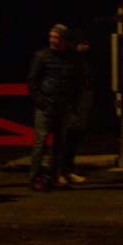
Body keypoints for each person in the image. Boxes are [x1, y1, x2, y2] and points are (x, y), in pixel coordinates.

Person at [27, 23, 82, 192]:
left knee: (59, 142)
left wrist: (72, 100)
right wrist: (41, 101)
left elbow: (78, 80)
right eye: (51, 36)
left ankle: (52, 176)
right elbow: (32, 80)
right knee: (41, 141)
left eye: (57, 37)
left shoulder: (72, 57)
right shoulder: (42, 56)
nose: (53, 40)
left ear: (64, 39)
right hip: (46, 104)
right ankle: (35, 177)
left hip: (63, 104)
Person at [60, 29, 93, 184]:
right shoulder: (72, 58)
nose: (87, 46)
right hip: (74, 101)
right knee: (70, 134)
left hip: (81, 99)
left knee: (75, 134)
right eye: (83, 43)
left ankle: (67, 168)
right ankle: (64, 170)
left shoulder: (81, 59)